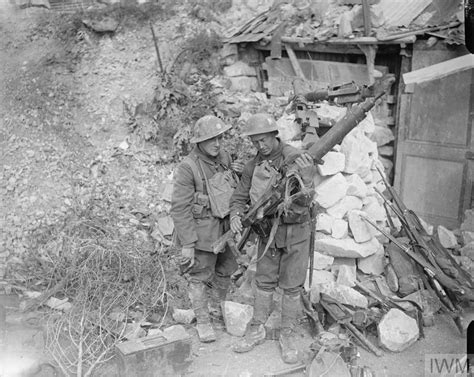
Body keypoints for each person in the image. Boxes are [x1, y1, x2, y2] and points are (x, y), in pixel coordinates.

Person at [229, 113, 315, 364]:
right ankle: (256, 328)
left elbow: (307, 199)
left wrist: (307, 177)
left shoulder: (295, 158)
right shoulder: (252, 166)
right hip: (269, 231)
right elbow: (239, 196)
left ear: (274, 135)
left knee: (292, 285)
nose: (260, 146)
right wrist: (236, 213)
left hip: (297, 230)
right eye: (255, 142)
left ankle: (287, 334)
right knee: (264, 281)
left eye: (263, 140)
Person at [171, 115, 242, 343]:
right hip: (201, 233)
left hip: (224, 229)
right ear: (199, 141)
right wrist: (188, 246)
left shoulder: (224, 158)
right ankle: (202, 322)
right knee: (199, 277)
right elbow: (180, 209)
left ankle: (213, 310)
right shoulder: (187, 167)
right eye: (211, 139)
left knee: (226, 269)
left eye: (220, 138)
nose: (217, 143)